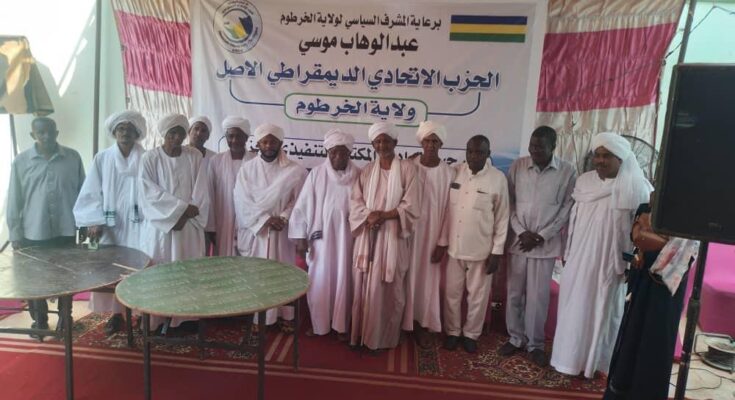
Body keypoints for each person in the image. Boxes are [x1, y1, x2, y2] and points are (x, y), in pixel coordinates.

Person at [551, 132, 653, 378]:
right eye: (597, 155)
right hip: (578, 259)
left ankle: (595, 364)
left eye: (607, 156)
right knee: (573, 310)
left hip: (610, 263)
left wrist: (631, 263)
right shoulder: (584, 182)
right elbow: (573, 221)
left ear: (621, 159)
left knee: (603, 312)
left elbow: (642, 232)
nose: (600, 161)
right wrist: (567, 252)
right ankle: (567, 360)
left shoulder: (638, 187)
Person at [604, 193, 698, 400]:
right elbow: (637, 236)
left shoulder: (691, 215)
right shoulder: (650, 205)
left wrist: (653, 236)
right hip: (643, 277)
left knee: (655, 340)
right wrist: (648, 230)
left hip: (666, 287)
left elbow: (681, 250)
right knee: (632, 334)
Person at [498, 126, 576, 366]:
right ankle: (515, 338)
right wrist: (521, 232)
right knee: (514, 293)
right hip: (519, 242)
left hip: (545, 245)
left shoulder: (567, 171)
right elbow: (509, 203)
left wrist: (541, 236)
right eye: (532, 146)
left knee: (537, 297)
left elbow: (567, 208)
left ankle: (535, 345)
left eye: (540, 147)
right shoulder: (518, 166)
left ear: (553, 147)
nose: (534, 151)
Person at [6, 116, 85, 335]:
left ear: (57, 133)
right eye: (41, 132)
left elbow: (83, 194)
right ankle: (39, 321)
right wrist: (15, 233)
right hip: (33, 231)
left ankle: (65, 318)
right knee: (35, 281)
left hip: (65, 230)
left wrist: (84, 224)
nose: (47, 136)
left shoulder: (73, 158)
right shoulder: (21, 161)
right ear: (33, 135)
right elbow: (14, 200)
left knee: (66, 277)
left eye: (51, 132)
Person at [73, 110, 146, 335]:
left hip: (140, 225)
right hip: (110, 225)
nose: (125, 133)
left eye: (130, 129)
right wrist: (93, 220)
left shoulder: (147, 158)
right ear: (114, 132)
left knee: (140, 268)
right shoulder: (102, 158)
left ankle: (141, 313)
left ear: (137, 133)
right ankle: (116, 315)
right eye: (121, 129)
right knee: (112, 270)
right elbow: (91, 191)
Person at [349, 122, 418, 351]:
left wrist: (384, 215)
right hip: (368, 236)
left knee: (391, 288)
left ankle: (383, 339)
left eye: (386, 141)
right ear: (373, 145)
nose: (382, 145)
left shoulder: (408, 169)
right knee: (365, 286)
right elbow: (355, 203)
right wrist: (369, 216)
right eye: (377, 141)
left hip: (393, 237)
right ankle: (362, 335)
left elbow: (411, 205)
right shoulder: (367, 170)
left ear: (395, 143)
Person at [138, 114, 210, 330]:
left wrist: (184, 215)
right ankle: (157, 318)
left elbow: (201, 190)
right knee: (159, 273)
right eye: (172, 133)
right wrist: (178, 212)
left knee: (187, 272)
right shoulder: (150, 158)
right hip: (160, 228)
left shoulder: (194, 156)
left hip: (189, 227)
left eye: (180, 133)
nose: (177, 137)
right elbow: (148, 193)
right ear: (164, 134)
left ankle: (185, 318)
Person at [234, 123, 307, 330]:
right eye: (264, 141)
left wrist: (283, 217)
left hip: (282, 232)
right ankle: (260, 318)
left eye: (273, 141)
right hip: (258, 232)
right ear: (257, 144)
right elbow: (242, 200)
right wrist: (266, 219)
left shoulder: (296, 170)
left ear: (280, 143)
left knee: (283, 274)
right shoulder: (247, 170)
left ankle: (285, 315)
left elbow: (300, 201)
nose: (269, 145)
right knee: (258, 274)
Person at [289, 129, 360, 339]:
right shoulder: (316, 174)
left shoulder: (360, 175)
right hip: (321, 240)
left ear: (350, 153)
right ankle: (320, 325)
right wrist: (300, 238)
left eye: (342, 152)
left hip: (349, 240)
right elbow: (301, 207)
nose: (338, 156)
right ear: (327, 152)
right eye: (333, 152)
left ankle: (341, 326)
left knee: (345, 281)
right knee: (319, 279)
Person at [443, 135, 509, 353]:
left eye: (479, 152)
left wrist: (497, 252)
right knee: (452, 294)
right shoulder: (455, 171)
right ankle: (453, 332)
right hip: (454, 248)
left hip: (481, 251)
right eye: (470, 151)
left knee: (478, 298)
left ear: (488, 154)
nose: (473, 156)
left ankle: (471, 334)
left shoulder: (497, 179)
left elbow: (502, 218)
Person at [402, 121, 455, 348]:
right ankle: (402, 322)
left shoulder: (449, 173)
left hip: (433, 236)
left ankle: (422, 324)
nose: (431, 145)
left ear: (441, 144)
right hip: (406, 234)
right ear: (421, 142)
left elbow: (451, 210)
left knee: (427, 281)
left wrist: (443, 242)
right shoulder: (408, 166)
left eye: (435, 141)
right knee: (404, 277)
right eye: (427, 140)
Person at [205, 116, 254, 256]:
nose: (234, 140)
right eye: (230, 136)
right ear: (226, 137)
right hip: (223, 219)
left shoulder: (255, 161)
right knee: (224, 259)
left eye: (239, 136)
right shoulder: (216, 161)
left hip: (248, 221)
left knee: (248, 259)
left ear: (246, 138)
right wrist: (211, 227)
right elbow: (210, 195)